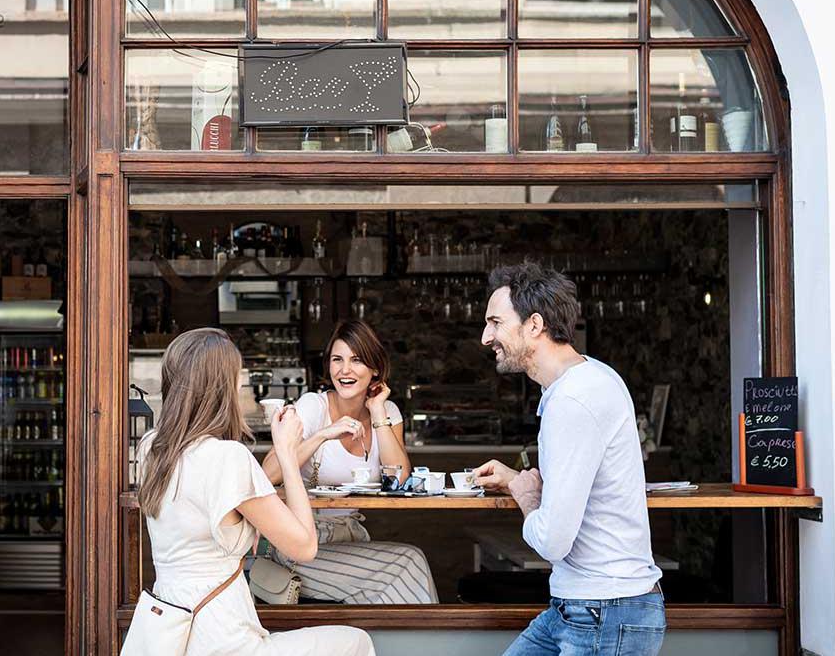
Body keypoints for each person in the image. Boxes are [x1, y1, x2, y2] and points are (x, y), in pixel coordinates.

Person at [135, 328, 375, 656]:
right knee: (356, 641)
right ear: (224, 387)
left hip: (171, 633)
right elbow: (304, 546)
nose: (242, 387)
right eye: (239, 378)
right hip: (224, 640)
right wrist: (287, 453)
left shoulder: (152, 448)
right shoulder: (227, 457)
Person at [472, 264, 665, 655]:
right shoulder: (586, 380)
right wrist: (515, 479)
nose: (485, 337)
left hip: (606, 612)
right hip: (579, 609)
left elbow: (553, 541)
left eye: (495, 322)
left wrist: (527, 499)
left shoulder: (574, 400)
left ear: (534, 325)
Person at [259, 320, 438, 604]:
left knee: (398, 576)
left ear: (375, 368)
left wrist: (377, 412)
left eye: (356, 360)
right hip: (302, 545)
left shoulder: (388, 411)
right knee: (407, 563)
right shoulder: (313, 407)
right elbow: (266, 474)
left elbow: (400, 479)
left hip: (352, 539)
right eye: (337, 360)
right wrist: (322, 435)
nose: (344, 370)